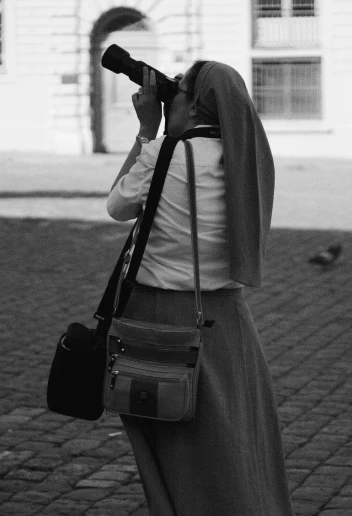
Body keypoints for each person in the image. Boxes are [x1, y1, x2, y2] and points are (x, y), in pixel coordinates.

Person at [106, 62, 294, 515]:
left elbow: (117, 206)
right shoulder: (245, 159)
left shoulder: (163, 155)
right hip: (227, 320)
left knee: (168, 442)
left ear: (190, 102)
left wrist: (148, 130)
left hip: (158, 315)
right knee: (232, 439)